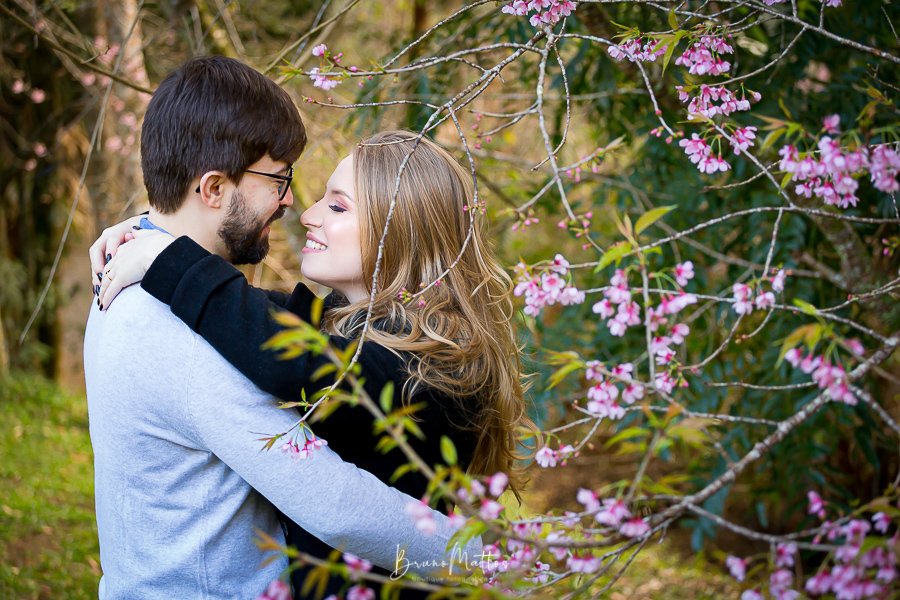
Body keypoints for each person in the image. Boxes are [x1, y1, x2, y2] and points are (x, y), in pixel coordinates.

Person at [83, 57, 482, 600]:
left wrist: (155, 243)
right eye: (280, 179)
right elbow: (334, 504)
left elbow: (286, 332)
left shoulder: (138, 282)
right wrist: (493, 558)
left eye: (336, 205)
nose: (297, 204)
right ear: (214, 189)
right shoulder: (181, 332)